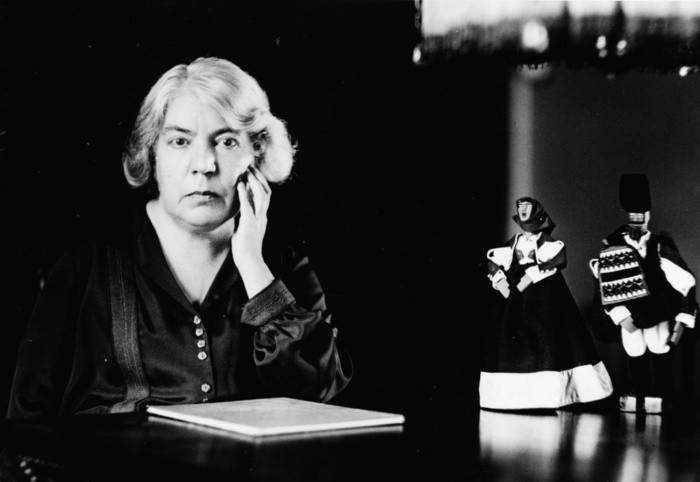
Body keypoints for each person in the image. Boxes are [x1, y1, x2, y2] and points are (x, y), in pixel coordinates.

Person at [7, 57, 352, 419]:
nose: (204, 164)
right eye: (180, 141)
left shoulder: (283, 267)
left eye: (227, 141)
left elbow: (320, 394)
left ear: (257, 154)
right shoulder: (86, 270)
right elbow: (26, 421)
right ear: (151, 152)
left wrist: (253, 265)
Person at [480, 197, 612, 410]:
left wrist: (535, 273)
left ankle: (550, 394)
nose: (523, 211)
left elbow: (558, 259)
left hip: (542, 295)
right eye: (520, 208)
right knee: (510, 335)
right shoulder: (515, 242)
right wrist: (499, 279)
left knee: (547, 335)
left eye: (527, 208)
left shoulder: (547, 243)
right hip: (514, 295)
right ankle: (509, 396)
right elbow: (494, 261)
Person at [589, 173, 695, 414]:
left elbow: (686, 282)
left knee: (659, 346)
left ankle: (663, 393)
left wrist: (683, 317)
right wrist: (619, 315)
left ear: (648, 217)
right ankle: (638, 393)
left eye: (641, 216)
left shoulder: (659, 247)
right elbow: (604, 283)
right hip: (629, 313)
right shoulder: (613, 247)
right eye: (633, 217)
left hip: (658, 311)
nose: (637, 222)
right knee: (634, 349)